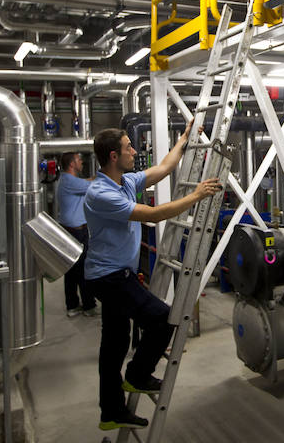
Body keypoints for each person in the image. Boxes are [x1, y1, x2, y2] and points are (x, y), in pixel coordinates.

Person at [84, 124, 222, 431]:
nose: (134, 152)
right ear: (112, 155)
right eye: (128, 147)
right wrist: (197, 195)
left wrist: (183, 141)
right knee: (162, 320)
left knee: (115, 344)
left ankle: (111, 412)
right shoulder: (102, 193)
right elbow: (153, 215)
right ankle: (137, 376)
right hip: (109, 277)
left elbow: (163, 168)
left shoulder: (125, 181)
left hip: (117, 273)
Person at [56, 152, 97, 317]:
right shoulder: (69, 181)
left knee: (72, 269)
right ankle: (89, 306)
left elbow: (86, 182)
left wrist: (94, 177)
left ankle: (72, 305)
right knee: (83, 268)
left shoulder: (68, 180)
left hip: (71, 229)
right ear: (72, 164)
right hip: (76, 232)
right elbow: (92, 186)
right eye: (79, 160)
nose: (81, 162)